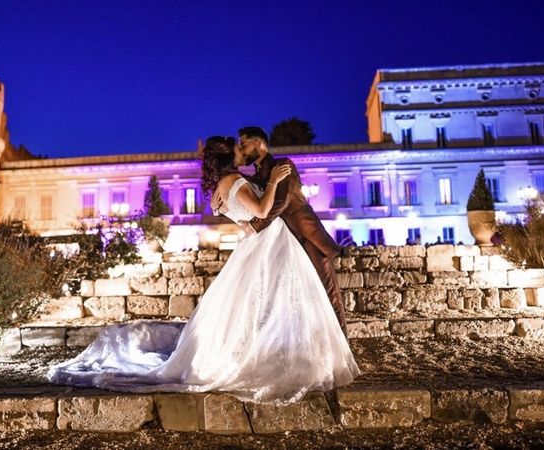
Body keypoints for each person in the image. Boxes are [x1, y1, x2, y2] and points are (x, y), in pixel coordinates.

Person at [48, 136, 360, 405]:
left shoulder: (220, 193)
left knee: (264, 304)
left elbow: (247, 227)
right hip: (272, 242)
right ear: (228, 155)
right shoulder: (234, 182)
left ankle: (276, 350)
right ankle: (285, 355)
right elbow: (264, 211)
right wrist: (276, 180)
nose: (241, 150)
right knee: (282, 301)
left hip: (259, 242)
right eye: (236, 148)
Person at [213, 126, 349, 338]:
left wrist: (254, 226)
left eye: (244, 145)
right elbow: (245, 202)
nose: (242, 151)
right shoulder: (256, 178)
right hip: (283, 243)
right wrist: (219, 208)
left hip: (306, 236)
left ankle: (342, 346)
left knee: (327, 293)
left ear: (259, 143)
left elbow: (281, 203)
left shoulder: (283, 165)